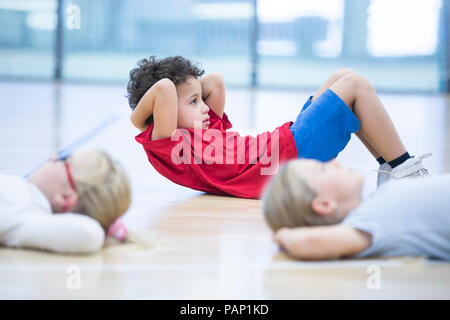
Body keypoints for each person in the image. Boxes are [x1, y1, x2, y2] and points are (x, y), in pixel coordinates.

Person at [128, 56, 429, 199]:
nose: (204, 105)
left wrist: (190, 90)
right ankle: (407, 170)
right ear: (161, 112)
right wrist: (139, 119)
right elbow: (166, 88)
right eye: (194, 102)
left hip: (286, 145)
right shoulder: (170, 144)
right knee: (355, 85)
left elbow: (215, 80)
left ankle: (391, 172)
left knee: (344, 75)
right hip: (289, 159)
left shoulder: (207, 130)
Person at [262, 158, 449, 261]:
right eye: (322, 169)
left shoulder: (372, 208)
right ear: (324, 204)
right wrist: (282, 234)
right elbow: (305, 242)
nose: (334, 163)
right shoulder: (366, 222)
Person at [0, 149, 131, 254]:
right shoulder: (26, 205)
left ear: (66, 197)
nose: (53, 157)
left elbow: (89, 233)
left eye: (63, 159)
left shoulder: (21, 207)